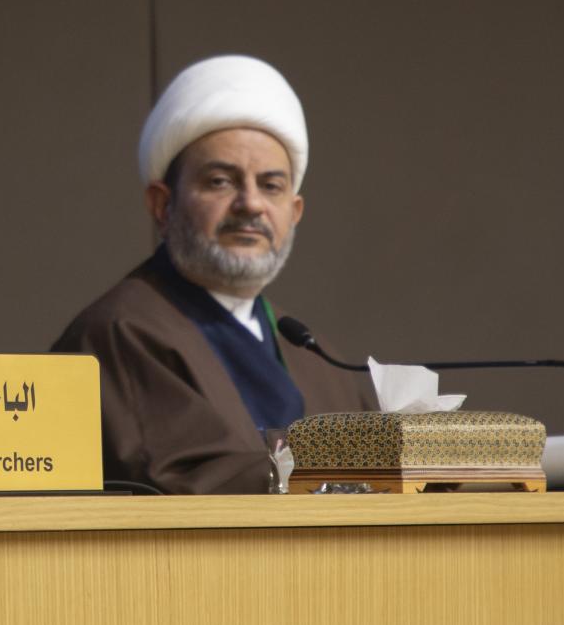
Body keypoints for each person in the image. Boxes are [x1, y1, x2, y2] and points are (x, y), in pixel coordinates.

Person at [52, 55, 370, 494]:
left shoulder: (317, 358)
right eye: (221, 181)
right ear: (162, 205)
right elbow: (183, 481)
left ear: (294, 212)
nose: (251, 204)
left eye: (271, 186)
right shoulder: (120, 333)